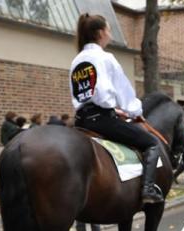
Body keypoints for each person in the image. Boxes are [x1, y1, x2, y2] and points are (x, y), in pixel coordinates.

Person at [70, 13, 163, 203]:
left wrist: (113, 109)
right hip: (102, 121)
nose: (110, 34)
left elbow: (85, 95)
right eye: (109, 29)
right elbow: (124, 93)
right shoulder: (106, 58)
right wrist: (135, 112)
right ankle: (148, 190)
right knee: (152, 143)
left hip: (80, 119)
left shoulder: (77, 60)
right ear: (100, 33)